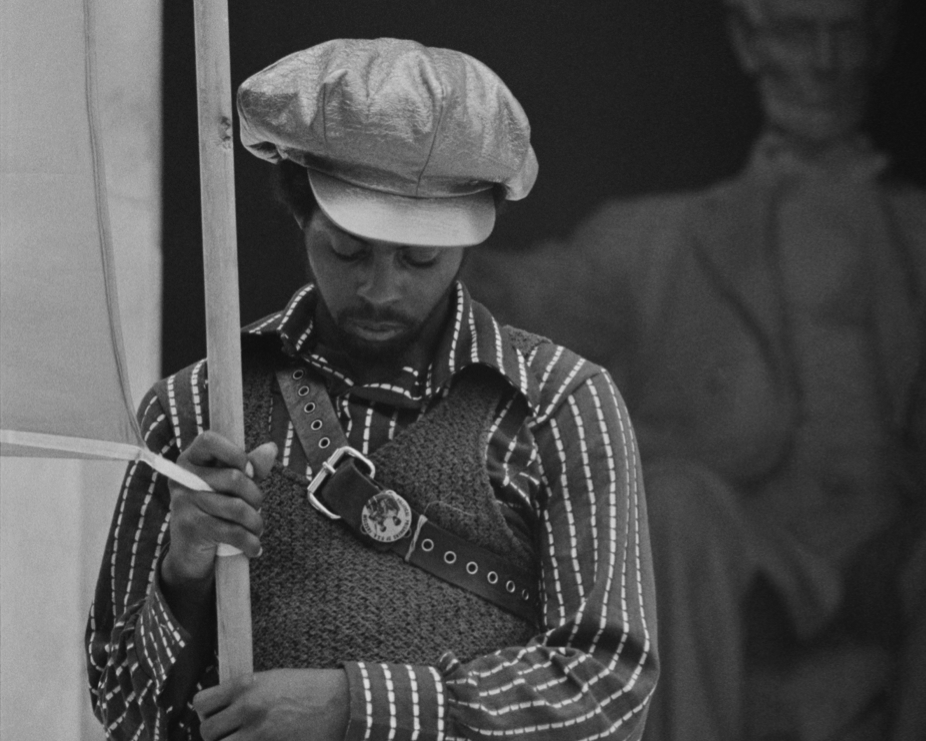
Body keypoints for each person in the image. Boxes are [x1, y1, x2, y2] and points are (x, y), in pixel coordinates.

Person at [85, 38, 658, 741]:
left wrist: (352, 705)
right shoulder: (197, 408)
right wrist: (184, 569)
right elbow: (123, 709)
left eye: (420, 258)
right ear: (300, 212)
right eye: (348, 249)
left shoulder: (560, 406)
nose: (380, 289)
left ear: (471, 242)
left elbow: (608, 691)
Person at [466, 1, 926, 739]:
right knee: (673, 507)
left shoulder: (915, 229)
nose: (826, 62)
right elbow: (527, 297)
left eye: (847, 34)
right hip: (738, 554)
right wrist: (414, 219)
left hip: (898, 552)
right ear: (749, 40)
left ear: (879, 43)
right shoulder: (657, 240)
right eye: (797, 32)